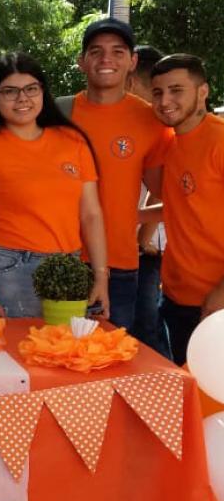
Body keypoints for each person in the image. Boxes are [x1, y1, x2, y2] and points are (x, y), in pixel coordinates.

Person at [0, 53, 109, 319]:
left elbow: (91, 214)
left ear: (43, 92)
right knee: (17, 344)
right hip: (11, 269)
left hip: (69, 267)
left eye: (31, 89)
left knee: (65, 344)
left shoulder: (73, 140)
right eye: (10, 91)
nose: (22, 98)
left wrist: (101, 277)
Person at [61, 19, 172, 332]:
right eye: (96, 51)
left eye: (117, 51)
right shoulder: (59, 113)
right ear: (82, 61)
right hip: (58, 258)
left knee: (108, 355)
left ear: (132, 61)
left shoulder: (151, 121)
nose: (106, 59)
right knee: (49, 351)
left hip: (117, 263)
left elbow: (168, 190)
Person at [149, 54, 224, 364]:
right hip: (175, 295)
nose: (165, 101)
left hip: (214, 301)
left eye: (176, 90)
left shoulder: (219, 140)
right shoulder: (170, 143)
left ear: (203, 91)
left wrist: (221, 292)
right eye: (158, 92)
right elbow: (182, 203)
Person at [130, 43, 171, 356]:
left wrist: (141, 238)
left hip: (146, 250)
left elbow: (162, 189)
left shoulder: (158, 127)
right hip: (140, 247)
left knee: (147, 330)